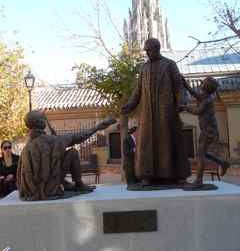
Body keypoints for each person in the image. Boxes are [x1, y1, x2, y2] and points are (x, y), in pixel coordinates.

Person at [122, 38, 191, 186]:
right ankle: (147, 175)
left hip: (166, 110)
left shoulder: (170, 64)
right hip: (147, 113)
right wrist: (130, 104)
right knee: (146, 144)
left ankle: (177, 175)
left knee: (169, 141)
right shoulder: (144, 68)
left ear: (157, 49)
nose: (147, 53)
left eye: (149, 50)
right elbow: (138, 90)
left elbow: (179, 86)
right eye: (146, 50)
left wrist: (181, 102)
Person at [17, 110, 116, 201]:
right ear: (39, 123)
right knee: (72, 152)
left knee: (56, 160)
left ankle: (64, 183)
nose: (45, 121)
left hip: (31, 190)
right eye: (43, 119)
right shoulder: (51, 140)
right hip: (50, 187)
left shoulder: (27, 146)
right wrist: (97, 127)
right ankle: (79, 184)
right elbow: (78, 137)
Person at [181, 76, 230, 187]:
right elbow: (195, 94)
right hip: (206, 130)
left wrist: (186, 107)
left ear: (207, 87)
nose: (201, 83)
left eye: (203, 82)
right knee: (203, 153)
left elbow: (198, 111)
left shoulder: (208, 100)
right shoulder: (205, 96)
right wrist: (186, 84)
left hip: (209, 131)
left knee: (200, 155)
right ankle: (223, 163)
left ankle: (199, 181)